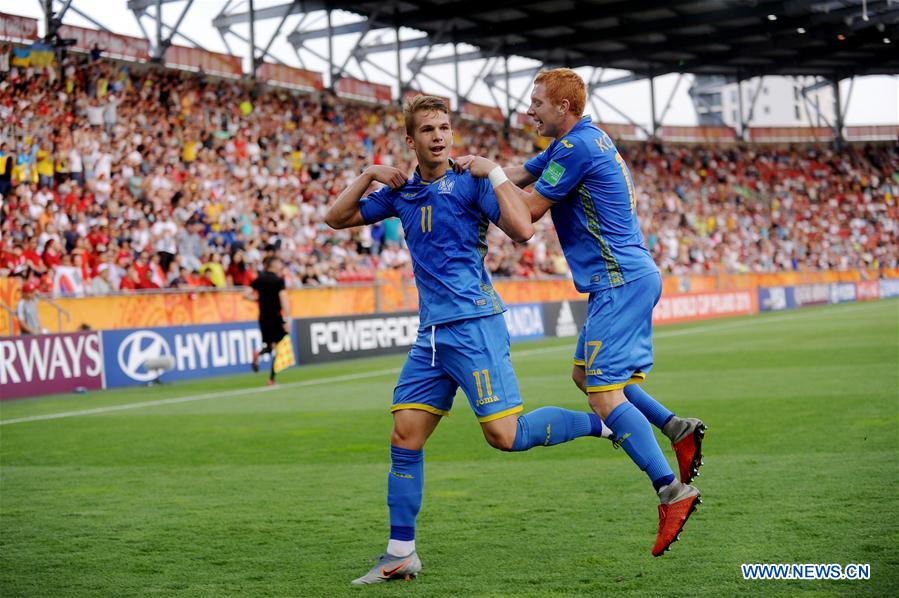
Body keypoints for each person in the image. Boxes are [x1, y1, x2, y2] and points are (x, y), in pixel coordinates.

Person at [326, 95, 614, 586]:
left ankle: (604, 425)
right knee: (404, 437)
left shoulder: (471, 183)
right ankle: (400, 554)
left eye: (444, 128)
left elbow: (523, 229)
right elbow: (336, 218)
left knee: (505, 437)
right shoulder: (401, 193)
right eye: (428, 130)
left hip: (475, 325)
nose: (438, 136)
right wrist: (371, 172)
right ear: (411, 140)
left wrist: (495, 172)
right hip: (431, 337)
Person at [456, 68, 706, 557]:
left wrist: (489, 176)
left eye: (537, 103)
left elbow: (524, 210)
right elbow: (519, 175)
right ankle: (676, 427)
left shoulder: (576, 150)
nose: (529, 110)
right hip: (621, 279)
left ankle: (670, 492)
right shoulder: (574, 141)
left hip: (620, 281)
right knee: (584, 374)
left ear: (564, 107)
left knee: (603, 393)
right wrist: (476, 175)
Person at [246, 256, 290, 386]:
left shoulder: (259, 280)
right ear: (272, 265)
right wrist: (287, 318)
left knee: (270, 347)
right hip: (275, 316)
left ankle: (258, 353)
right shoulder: (279, 281)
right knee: (278, 347)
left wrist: (257, 300)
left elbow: (245, 293)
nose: (280, 266)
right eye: (278, 263)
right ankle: (272, 379)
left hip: (263, 317)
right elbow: (283, 299)